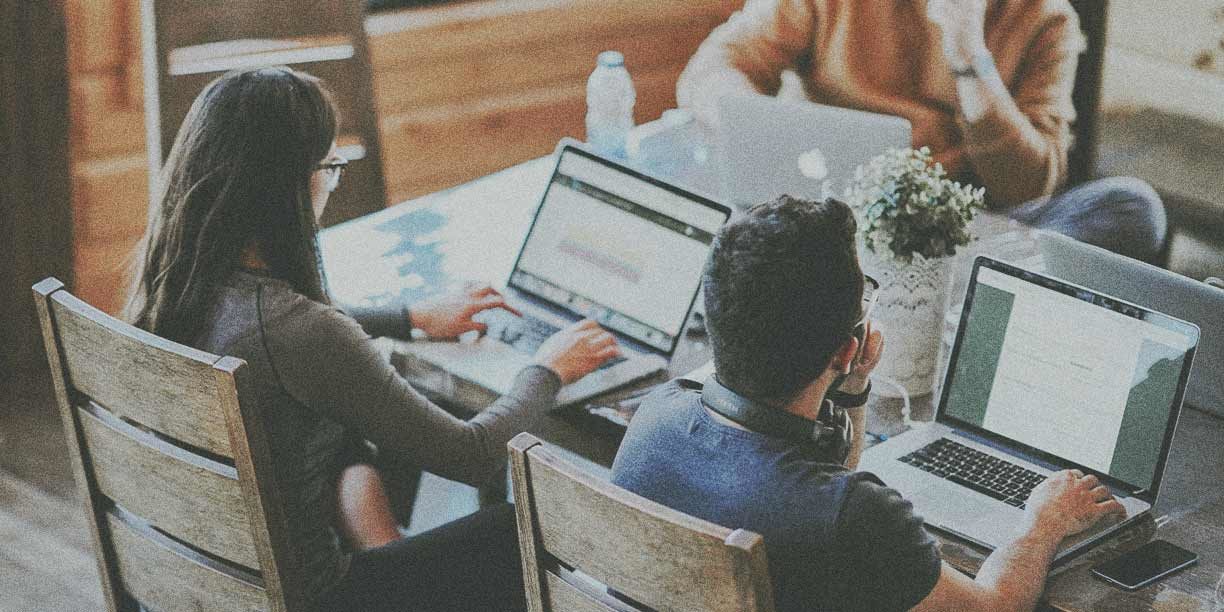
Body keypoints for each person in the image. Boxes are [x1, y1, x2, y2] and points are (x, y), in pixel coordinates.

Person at [125, 66, 619, 612]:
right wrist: (548, 368)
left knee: (350, 435)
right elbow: (471, 454)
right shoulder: (301, 332)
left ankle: (388, 545)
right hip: (315, 600)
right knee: (508, 532)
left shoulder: (175, 284)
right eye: (331, 167)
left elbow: (308, 337)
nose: (333, 182)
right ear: (289, 184)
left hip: (192, 583)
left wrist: (410, 317)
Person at [610, 195, 1125, 612]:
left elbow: (816, 478)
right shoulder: (855, 515)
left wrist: (851, 388)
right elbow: (993, 608)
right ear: (847, 347)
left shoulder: (655, 418)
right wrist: (1045, 522)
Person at [677, 0, 1166, 263]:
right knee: (689, 178)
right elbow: (712, 70)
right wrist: (765, 130)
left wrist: (970, 58)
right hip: (829, 208)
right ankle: (950, 299)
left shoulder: (1047, 18)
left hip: (962, 231)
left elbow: (1029, 186)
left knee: (1132, 208)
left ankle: (934, 292)